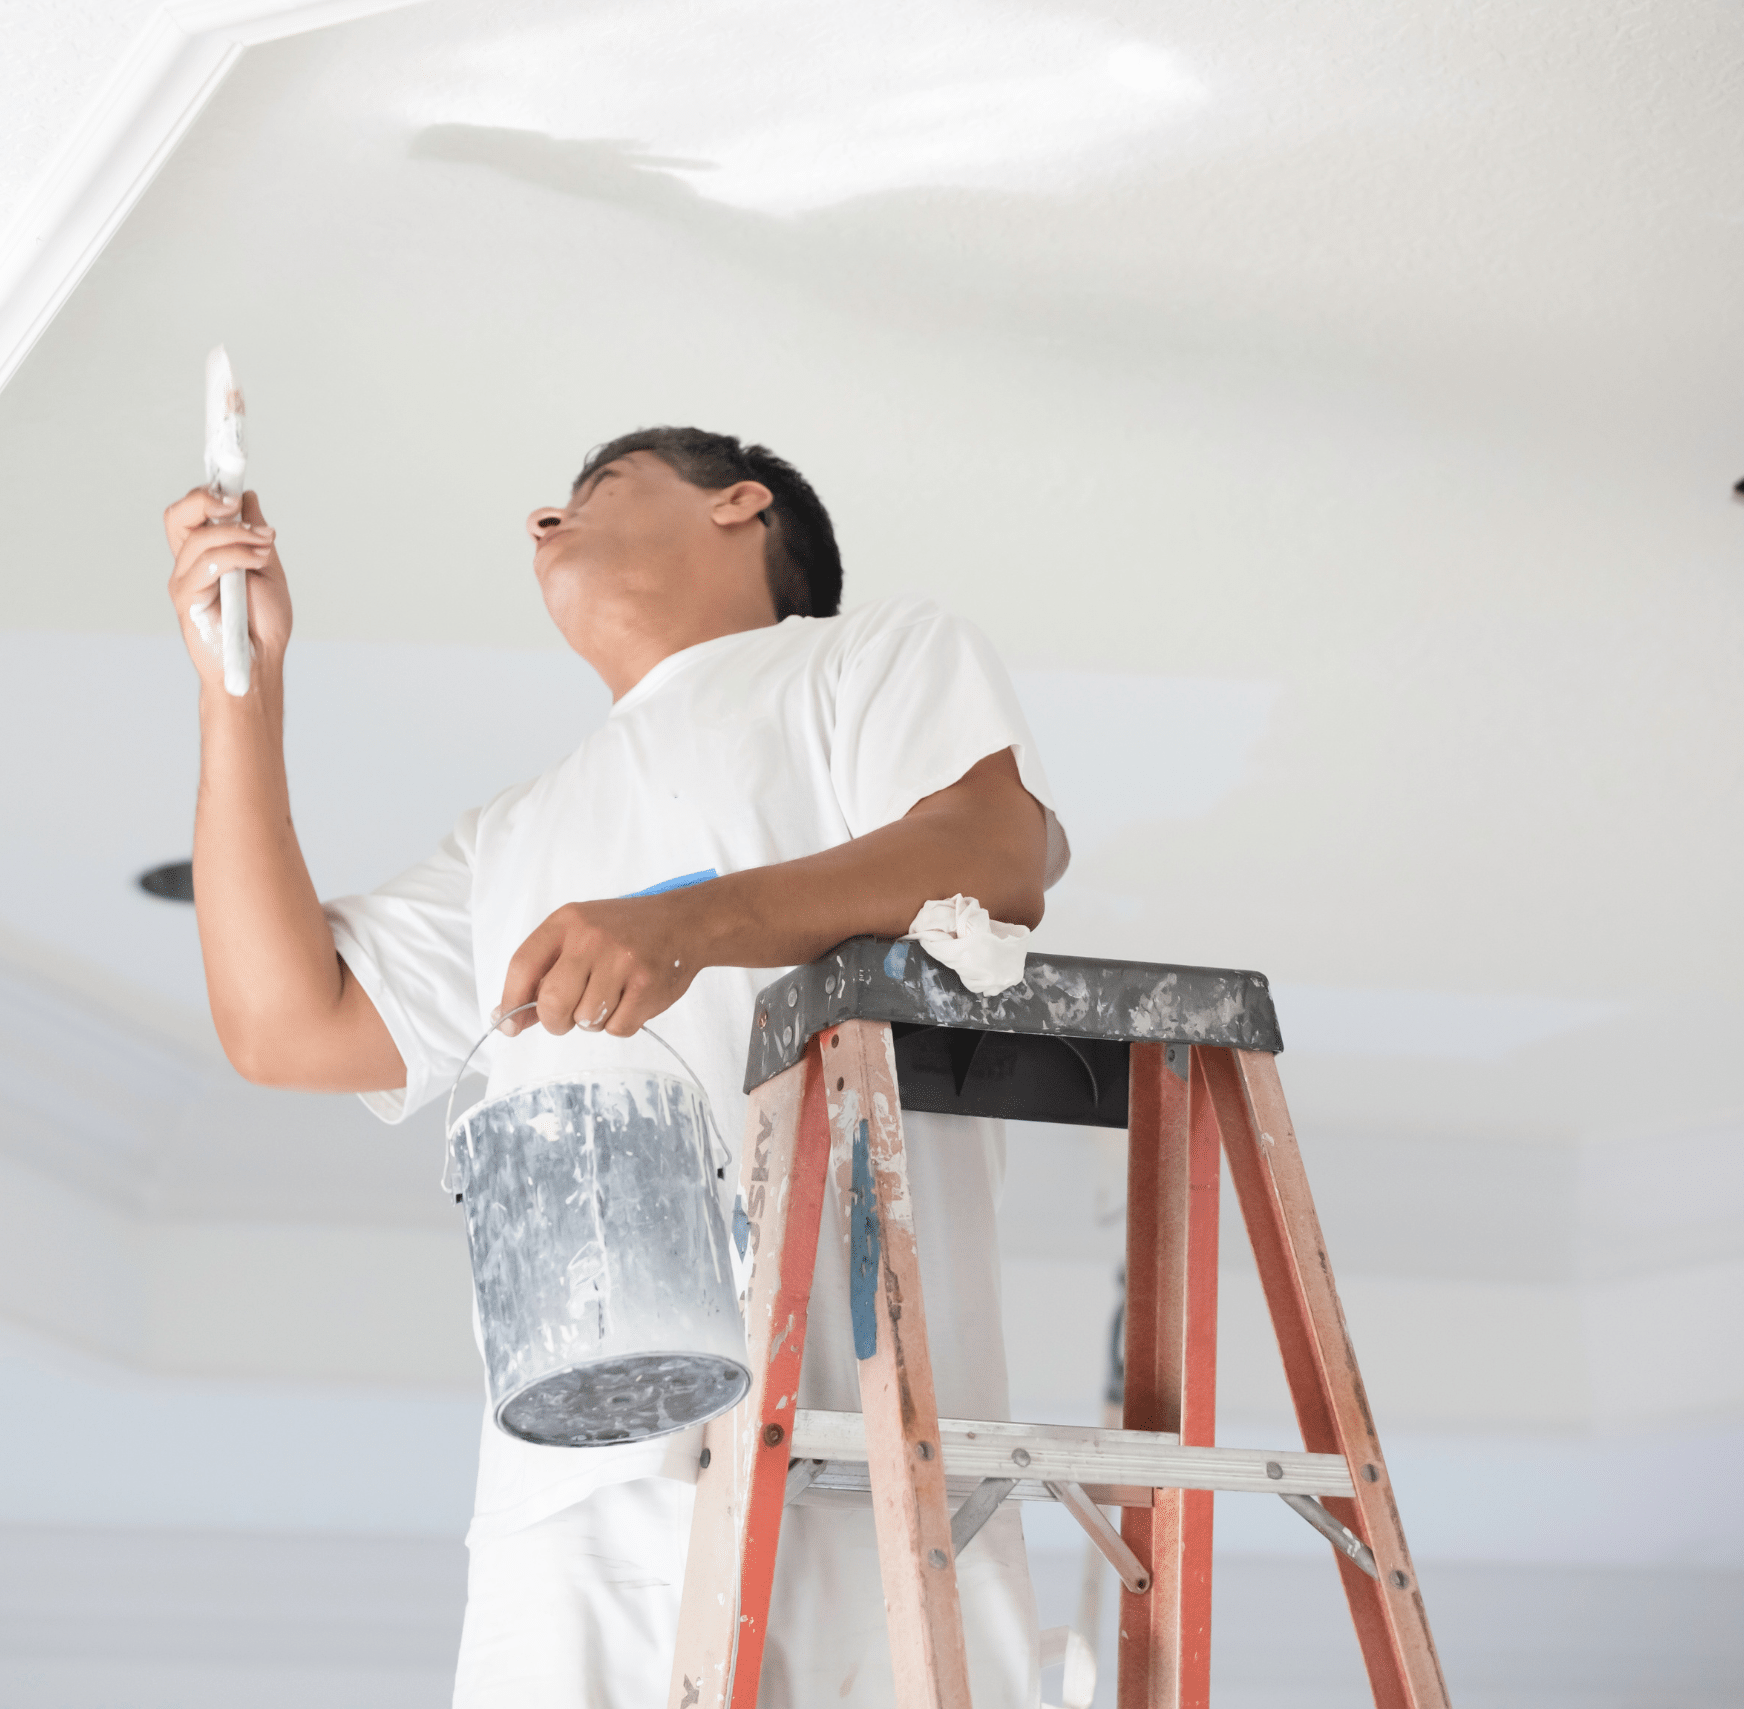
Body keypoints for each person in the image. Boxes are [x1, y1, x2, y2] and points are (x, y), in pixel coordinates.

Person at [162, 427, 1070, 1707]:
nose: (545, 519)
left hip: (848, 1447)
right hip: (567, 1477)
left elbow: (993, 849)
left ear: (740, 506)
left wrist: (690, 923)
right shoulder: (517, 830)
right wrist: (235, 686)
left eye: (599, 489)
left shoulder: (858, 661)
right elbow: (287, 1022)